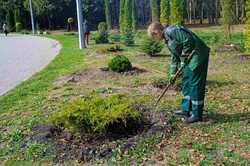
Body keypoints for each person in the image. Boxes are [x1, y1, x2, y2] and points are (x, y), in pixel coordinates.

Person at [147, 23, 210, 123]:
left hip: (197, 56)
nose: (155, 40)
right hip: (188, 59)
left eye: (154, 37)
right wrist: (172, 74)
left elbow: (188, 40)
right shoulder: (167, 39)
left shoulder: (172, 31)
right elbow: (175, 56)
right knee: (186, 82)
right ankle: (186, 109)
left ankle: (197, 114)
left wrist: (184, 58)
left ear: (156, 32)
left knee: (195, 84)